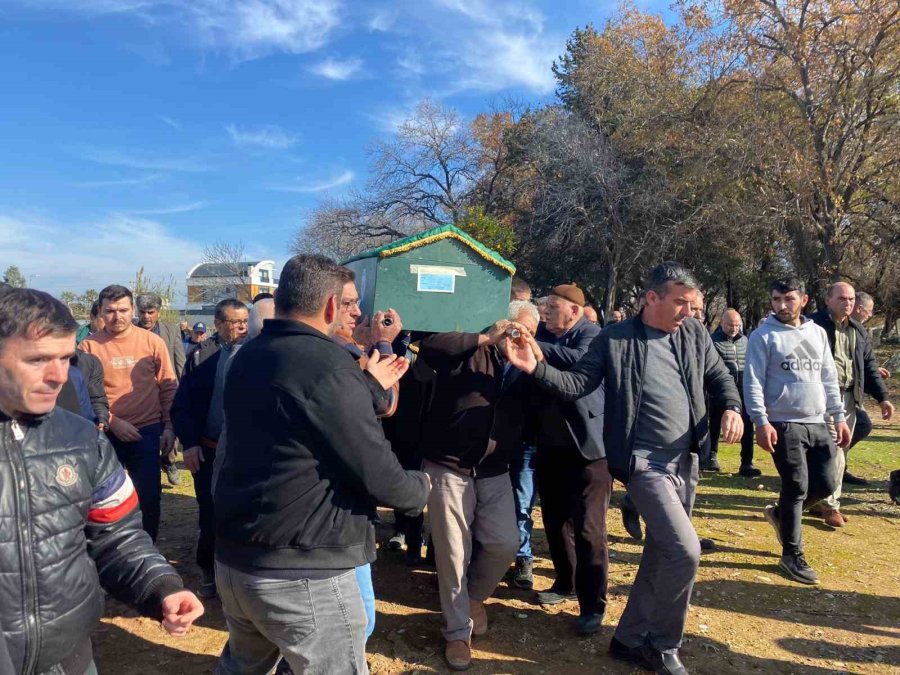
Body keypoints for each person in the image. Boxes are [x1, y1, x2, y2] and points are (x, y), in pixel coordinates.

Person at [505, 262, 743, 675]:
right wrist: (536, 368)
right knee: (685, 552)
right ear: (652, 298)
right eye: (681, 303)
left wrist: (733, 409)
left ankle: (628, 637)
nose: (690, 312)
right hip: (643, 463)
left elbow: (719, 374)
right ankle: (663, 644)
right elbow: (577, 384)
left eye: (694, 304)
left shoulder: (693, 334)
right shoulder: (615, 339)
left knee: (660, 552)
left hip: (684, 460)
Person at [213, 254, 430, 675]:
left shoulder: (249, 356)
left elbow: (297, 423)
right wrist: (420, 488)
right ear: (330, 306)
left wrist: (363, 386)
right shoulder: (328, 365)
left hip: (239, 560)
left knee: (242, 666)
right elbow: (377, 473)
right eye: (349, 305)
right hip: (303, 572)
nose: (357, 313)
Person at [0, 288, 204, 674]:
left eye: (66, 358)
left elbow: (118, 534)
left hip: (69, 655)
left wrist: (160, 586)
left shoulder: (82, 440)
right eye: (39, 359)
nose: (59, 376)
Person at [416, 303, 537, 670]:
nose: (523, 337)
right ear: (502, 324)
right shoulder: (467, 349)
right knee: (454, 552)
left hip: (494, 469)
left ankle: (472, 599)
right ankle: (456, 632)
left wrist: (534, 358)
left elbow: (555, 388)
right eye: (518, 329)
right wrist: (487, 337)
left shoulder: (524, 364)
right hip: (448, 466)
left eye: (531, 331)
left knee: (505, 541)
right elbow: (431, 347)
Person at [744, 277, 851, 584]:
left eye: (788, 299)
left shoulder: (816, 333)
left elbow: (829, 378)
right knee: (796, 485)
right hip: (782, 422)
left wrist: (839, 417)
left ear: (803, 300)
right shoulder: (763, 336)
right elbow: (752, 382)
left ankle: (780, 515)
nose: (781, 305)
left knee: (828, 483)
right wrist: (760, 421)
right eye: (776, 299)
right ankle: (792, 554)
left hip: (817, 420)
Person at [530, 284, 609, 639]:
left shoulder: (592, 336)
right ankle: (566, 583)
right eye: (543, 306)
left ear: (574, 311)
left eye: (551, 306)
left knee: (590, 530)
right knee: (555, 521)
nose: (544, 312)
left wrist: (531, 347)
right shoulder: (546, 333)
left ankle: (593, 606)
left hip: (589, 452)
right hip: (550, 448)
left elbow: (577, 364)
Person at [80, 284, 178, 541]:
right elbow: (83, 396)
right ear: (100, 311)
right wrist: (112, 422)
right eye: (110, 311)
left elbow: (168, 386)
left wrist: (169, 426)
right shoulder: (88, 347)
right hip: (105, 432)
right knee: (103, 499)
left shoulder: (152, 342)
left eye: (123, 310)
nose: (117, 316)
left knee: (148, 497)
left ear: (132, 309)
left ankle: (148, 550)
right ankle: (109, 553)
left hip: (146, 431)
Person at [171, 298, 249, 600]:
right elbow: (183, 405)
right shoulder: (201, 356)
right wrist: (189, 444)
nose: (242, 326)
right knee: (211, 514)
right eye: (235, 321)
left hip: (246, 453)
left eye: (245, 320)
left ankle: (241, 574)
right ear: (218, 325)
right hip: (209, 450)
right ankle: (209, 570)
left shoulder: (258, 353)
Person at [810, 282, 892, 526]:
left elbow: (868, 366)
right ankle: (826, 503)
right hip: (819, 397)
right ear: (828, 300)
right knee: (826, 451)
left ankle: (825, 502)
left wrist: (883, 398)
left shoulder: (858, 330)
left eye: (850, 299)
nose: (848, 303)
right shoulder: (813, 326)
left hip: (848, 398)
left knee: (839, 450)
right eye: (842, 298)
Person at [136, 292, 187, 486]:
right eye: (142, 312)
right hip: (141, 393)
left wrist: (182, 390)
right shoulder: (129, 331)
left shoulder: (171, 330)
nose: (146, 316)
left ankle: (169, 462)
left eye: (150, 312)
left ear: (158, 312)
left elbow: (179, 361)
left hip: (167, 388)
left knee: (170, 429)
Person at [710, 309, 760, 476]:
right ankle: (711, 458)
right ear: (722, 323)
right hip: (720, 391)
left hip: (743, 390)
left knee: (747, 425)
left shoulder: (746, 341)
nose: (734, 328)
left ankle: (747, 463)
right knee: (715, 424)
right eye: (731, 325)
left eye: (737, 325)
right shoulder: (712, 342)